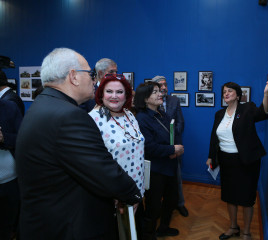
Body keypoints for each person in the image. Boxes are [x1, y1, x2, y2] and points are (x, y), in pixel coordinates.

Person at [15, 48, 141, 240]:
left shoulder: (42, 104)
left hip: (45, 221)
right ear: (73, 76)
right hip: (69, 225)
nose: (93, 80)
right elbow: (102, 170)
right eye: (90, 74)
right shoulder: (70, 116)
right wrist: (133, 195)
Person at [206, 77, 268, 240]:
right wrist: (211, 156)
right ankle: (233, 227)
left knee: (246, 198)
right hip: (226, 161)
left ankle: (246, 232)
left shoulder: (247, 109)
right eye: (224, 92)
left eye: (230, 91)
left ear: (238, 95)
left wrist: (266, 94)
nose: (226, 94)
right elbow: (213, 137)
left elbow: (264, 114)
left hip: (247, 161)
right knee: (229, 196)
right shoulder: (219, 114)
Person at [88, 73, 145, 239]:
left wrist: (137, 192)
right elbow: (93, 163)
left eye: (119, 92)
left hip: (135, 192)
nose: (114, 96)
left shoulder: (130, 115)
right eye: (109, 91)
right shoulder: (93, 119)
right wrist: (116, 195)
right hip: (111, 196)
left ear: (126, 95)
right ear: (101, 93)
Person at [134, 82, 184, 239]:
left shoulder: (164, 115)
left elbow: (173, 133)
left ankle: (163, 228)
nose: (160, 94)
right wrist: (172, 150)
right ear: (145, 98)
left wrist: (175, 150)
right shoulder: (141, 119)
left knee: (171, 200)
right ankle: (148, 235)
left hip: (170, 165)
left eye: (159, 91)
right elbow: (148, 147)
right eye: (155, 92)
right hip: (155, 169)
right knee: (153, 206)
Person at [151, 75, 188, 217]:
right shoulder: (151, 101)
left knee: (176, 178)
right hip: (157, 148)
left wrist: (171, 138)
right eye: (161, 85)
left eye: (165, 84)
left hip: (174, 146)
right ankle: (162, 206)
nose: (164, 87)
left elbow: (180, 122)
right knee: (158, 180)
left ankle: (179, 204)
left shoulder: (174, 100)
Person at [0, 99, 22, 240]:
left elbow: (22, 138)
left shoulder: (9, 107)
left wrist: (3, 137)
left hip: (10, 180)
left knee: (7, 227)